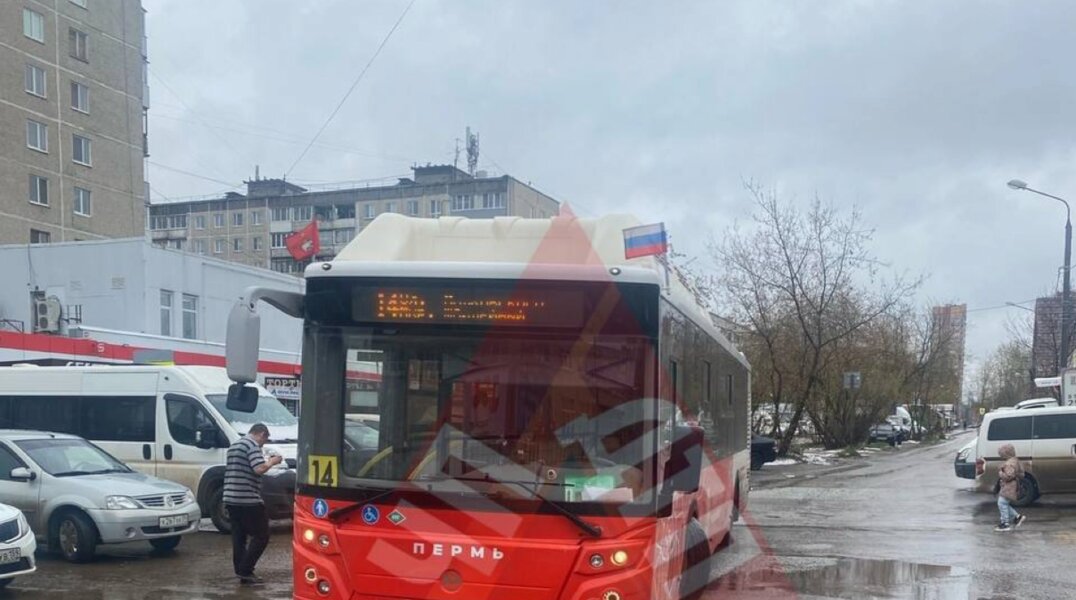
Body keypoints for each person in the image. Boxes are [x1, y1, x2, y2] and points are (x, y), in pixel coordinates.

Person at [224, 423, 283, 584]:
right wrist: (272, 461)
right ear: (261, 434)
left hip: (230, 498)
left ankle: (241, 571)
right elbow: (259, 468)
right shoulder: (252, 445)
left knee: (239, 537)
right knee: (262, 536)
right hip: (247, 499)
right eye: (265, 439)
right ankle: (246, 570)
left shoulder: (235, 445)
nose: (263, 443)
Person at [994, 443, 1027, 532]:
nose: (1001, 456)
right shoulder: (1015, 460)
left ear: (1006, 453)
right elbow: (1021, 474)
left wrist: (1000, 473)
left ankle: (1005, 523)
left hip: (1009, 486)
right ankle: (1017, 517)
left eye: (1002, 454)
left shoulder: (1009, 463)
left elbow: (1008, 476)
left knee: (1002, 503)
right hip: (1012, 485)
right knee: (1003, 503)